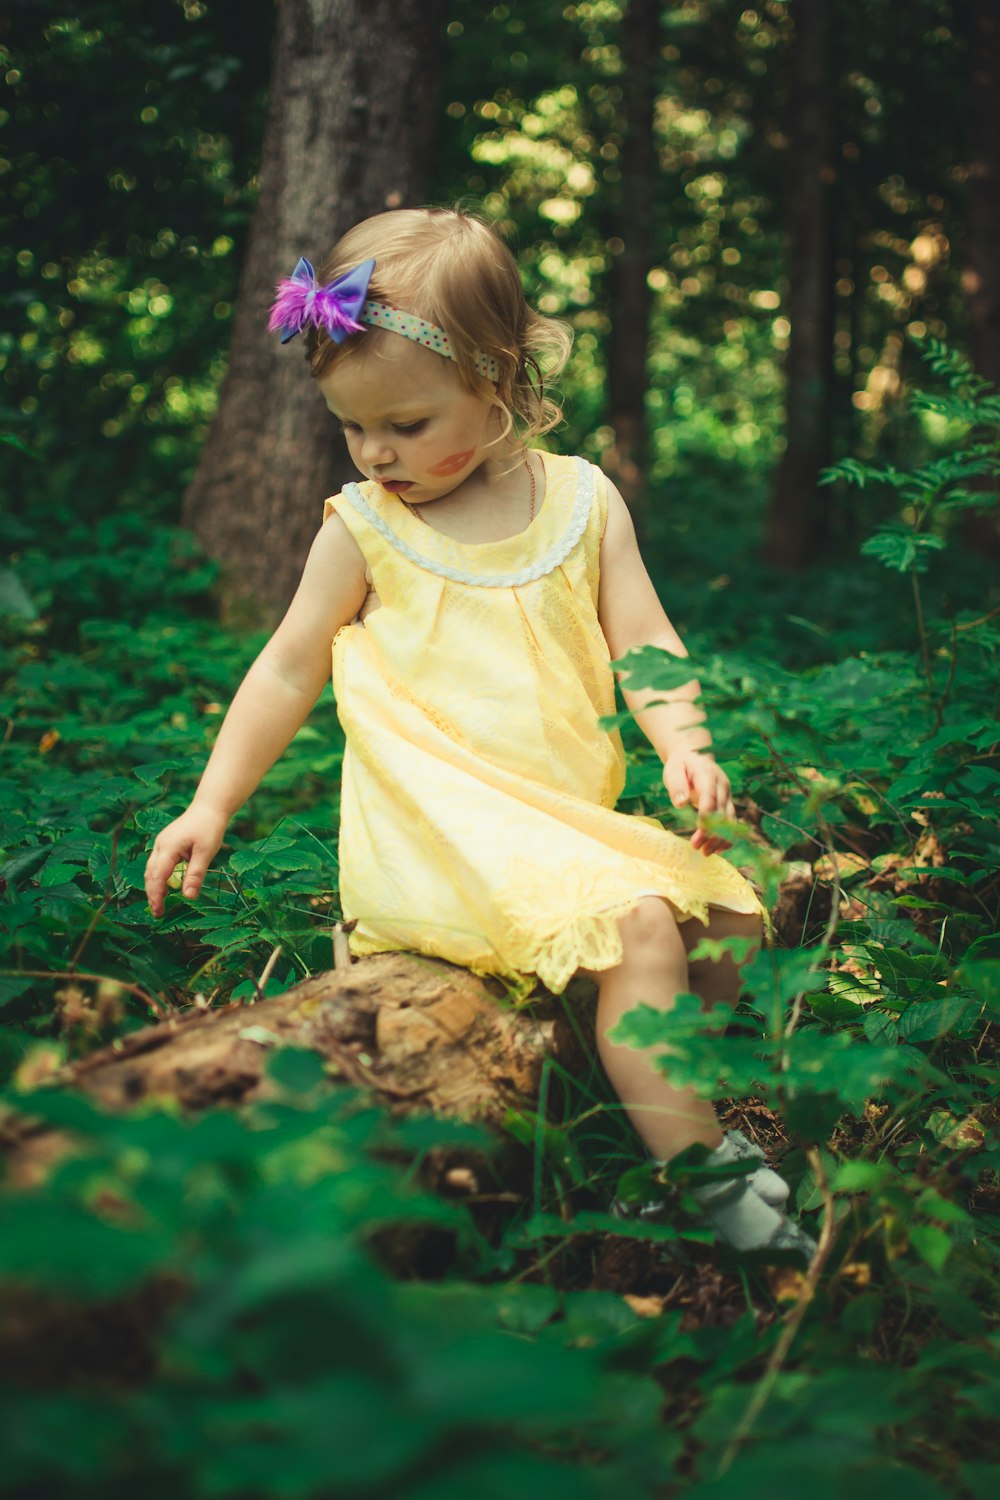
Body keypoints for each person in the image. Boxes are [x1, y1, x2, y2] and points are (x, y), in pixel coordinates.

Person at [144, 207, 815, 1259]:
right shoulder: (365, 529)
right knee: (641, 928)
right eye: (351, 426)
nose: (377, 452)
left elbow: (644, 638)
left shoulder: (583, 504)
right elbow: (284, 666)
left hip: (551, 823)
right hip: (438, 836)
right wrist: (210, 800)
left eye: (405, 425)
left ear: (495, 381)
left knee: (729, 919)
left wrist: (686, 743)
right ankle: (709, 1179)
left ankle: (632, 1133)